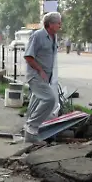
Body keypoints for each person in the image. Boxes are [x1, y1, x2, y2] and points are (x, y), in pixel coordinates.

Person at [23, 12, 62, 141]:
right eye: (58, 23)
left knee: (36, 102)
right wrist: (40, 70)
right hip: (36, 75)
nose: (60, 25)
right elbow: (29, 56)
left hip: (46, 76)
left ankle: (28, 134)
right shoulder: (38, 36)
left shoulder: (54, 37)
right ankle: (32, 127)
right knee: (49, 99)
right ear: (50, 24)